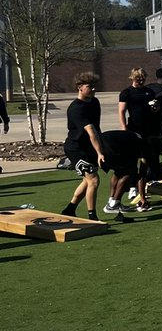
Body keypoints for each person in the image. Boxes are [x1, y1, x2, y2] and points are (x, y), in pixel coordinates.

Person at [61, 72, 105, 221]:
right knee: (93, 180)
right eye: (89, 87)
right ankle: (92, 216)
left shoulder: (94, 102)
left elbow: (97, 129)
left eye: (94, 87)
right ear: (80, 87)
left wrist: (101, 147)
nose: (93, 90)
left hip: (89, 147)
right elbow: (91, 131)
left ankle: (70, 209)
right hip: (76, 148)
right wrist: (99, 152)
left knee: (87, 181)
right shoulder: (76, 108)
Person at [117, 68, 162, 211]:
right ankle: (128, 189)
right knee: (130, 164)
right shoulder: (126, 93)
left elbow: (155, 111)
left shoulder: (149, 92)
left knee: (144, 164)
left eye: (143, 78)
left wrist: (156, 107)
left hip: (148, 132)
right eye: (138, 78)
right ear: (132, 78)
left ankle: (142, 199)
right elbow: (122, 111)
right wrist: (124, 129)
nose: (141, 80)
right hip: (134, 131)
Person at [99, 129, 143, 223]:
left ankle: (111, 201)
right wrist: (142, 198)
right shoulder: (141, 144)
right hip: (110, 147)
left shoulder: (134, 136)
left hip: (101, 144)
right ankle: (114, 203)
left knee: (118, 171)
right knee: (128, 173)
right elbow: (141, 173)